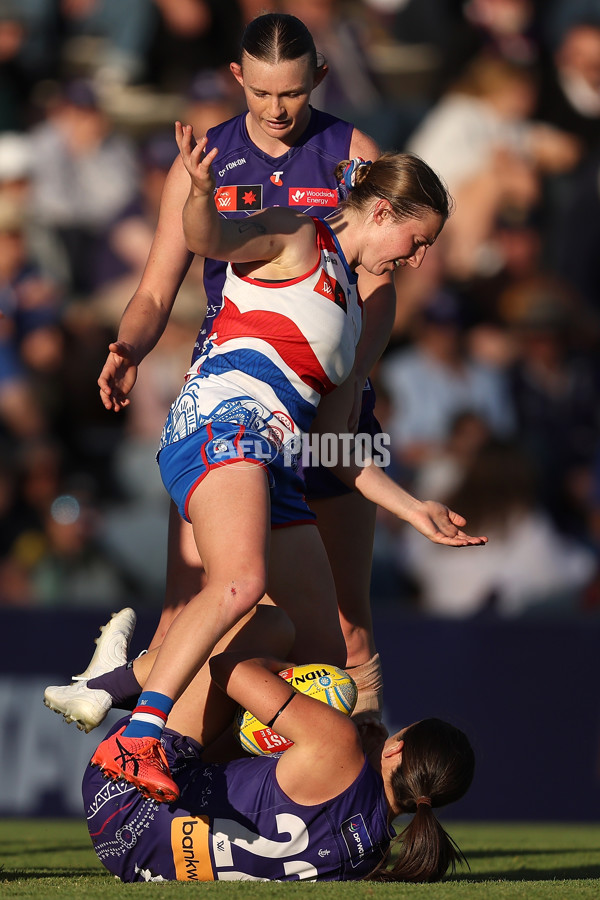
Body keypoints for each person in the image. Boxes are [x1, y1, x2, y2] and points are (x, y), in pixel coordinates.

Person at [88, 118, 487, 803]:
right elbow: (208, 236)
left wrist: (412, 508)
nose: (418, 259)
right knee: (241, 585)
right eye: (416, 241)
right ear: (383, 211)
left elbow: (336, 444)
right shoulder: (298, 237)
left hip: (278, 459)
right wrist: (200, 191)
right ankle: (138, 736)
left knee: (322, 653)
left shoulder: (360, 312)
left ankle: (147, 712)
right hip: (222, 422)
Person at [95, 12, 398, 723]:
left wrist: (352, 383)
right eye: (261, 93)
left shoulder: (355, 154)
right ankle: (177, 785)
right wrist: (128, 348)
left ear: (319, 77)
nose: (277, 109)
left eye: (291, 92)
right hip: (233, 408)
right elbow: (154, 289)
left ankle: (363, 802)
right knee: (194, 609)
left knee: (349, 624)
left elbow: (380, 290)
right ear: (238, 78)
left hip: (335, 410)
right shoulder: (205, 161)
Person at [82, 606, 475, 883]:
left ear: (395, 749)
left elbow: (226, 668)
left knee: (269, 624)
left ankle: (105, 685)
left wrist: (293, 678)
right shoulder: (371, 857)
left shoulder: (338, 743)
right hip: (135, 861)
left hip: (124, 793)